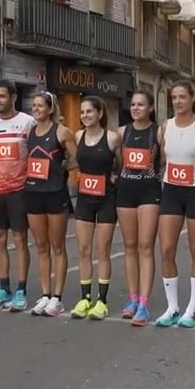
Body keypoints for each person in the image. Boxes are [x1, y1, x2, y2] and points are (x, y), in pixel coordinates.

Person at [156, 81, 195, 328]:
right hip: (171, 190)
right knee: (166, 249)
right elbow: (162, 158)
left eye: (182, 97)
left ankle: (192, 309)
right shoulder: (165, 127)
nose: (178, 102)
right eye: (174, 98)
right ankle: (172, 307)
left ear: (192, 98)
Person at [23, 91, 76, 317]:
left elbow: (78, 158)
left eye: (40, 106)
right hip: (33, 191)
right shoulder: (30, 131)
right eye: (33, 106)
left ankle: (58, 297)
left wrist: (61, 168)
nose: (35, 109)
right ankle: (45, 295)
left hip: (55, 193)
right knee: (41, 246)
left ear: (51, 108)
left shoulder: (62, 131)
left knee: (57, 246)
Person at [0, 80, 35, 311]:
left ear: (13, 97)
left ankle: (21, 291)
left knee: (20, 241)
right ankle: (4, 289)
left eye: (2, 96)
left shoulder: (27, 122)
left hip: (20, 191)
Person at [71, 96, 120, 320]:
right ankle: (84, 298)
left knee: (102, 250)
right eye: (82, 112)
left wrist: (114, 177)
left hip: (106, 199)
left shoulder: (112, 138)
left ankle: (102, 300)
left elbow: (122, 164)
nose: (85, 116)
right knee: (83, 249)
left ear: (100, 113)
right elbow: (74, 161)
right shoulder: (78, 135)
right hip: (84, 199)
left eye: (89, 111)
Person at [117, 90, 163, 327]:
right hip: (125, 191)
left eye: (141, 105)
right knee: (129, 246)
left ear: (151, 108)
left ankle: (144, 303)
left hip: (149, 192)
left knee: (146, 247)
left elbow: (165, 159)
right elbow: (118, 161)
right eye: (133, 104)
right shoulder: (122, 132)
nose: (136, 108)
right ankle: (132, 299)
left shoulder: (158, 132)